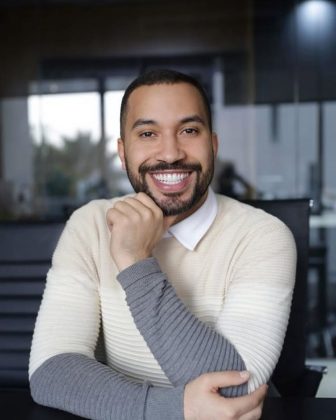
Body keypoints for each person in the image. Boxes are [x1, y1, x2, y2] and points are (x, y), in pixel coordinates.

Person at [29, 69, 296, 420]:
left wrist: (134, 260)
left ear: (212, 145)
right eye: (148, 133)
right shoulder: (89, 225)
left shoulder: (264, 236)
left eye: (189, 130)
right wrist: (174, 408)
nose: (170, 153)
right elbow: (50, 371)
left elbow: (233, 392)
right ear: (123, 153)